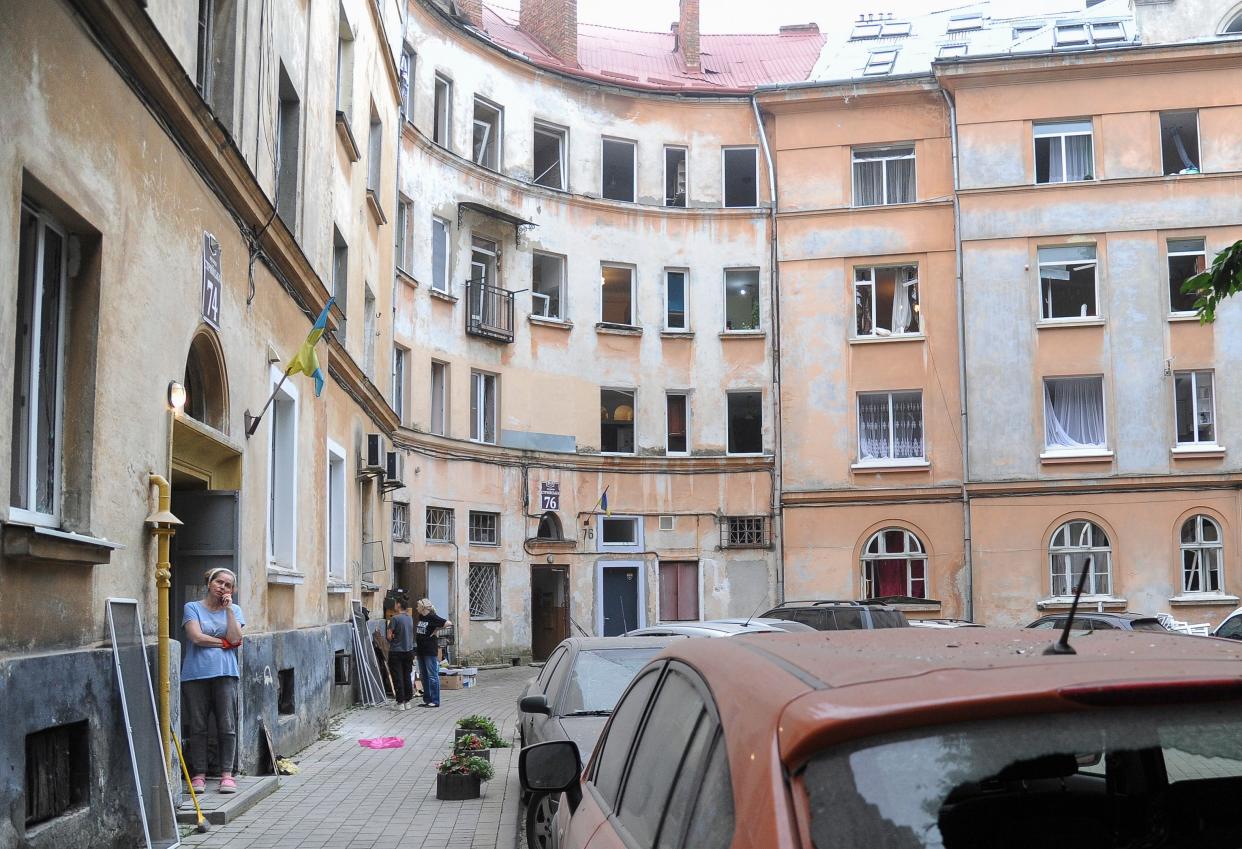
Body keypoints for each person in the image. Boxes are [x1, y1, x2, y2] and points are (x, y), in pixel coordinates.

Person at [181, 567, 245, 794]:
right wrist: (225, 643)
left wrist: (228, 611)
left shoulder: (235, 610)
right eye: (219, 582)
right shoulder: (192, 608)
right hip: (195, 674)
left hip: (225, 673)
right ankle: (199, 774)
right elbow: (196, 637)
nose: (223, 587)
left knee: (226, 725)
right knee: (198, 726)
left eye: (228, 585)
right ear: (209, 583)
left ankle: (226, 774)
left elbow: (236, 638)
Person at [414, 599, 450, 708]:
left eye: (418, 606)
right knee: (424, 675)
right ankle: (427, 699)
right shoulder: (421, 617)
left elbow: (448, 623)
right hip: (421, 650)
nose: (416, 608)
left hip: (429, 650)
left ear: (423, 608)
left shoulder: (432, 617)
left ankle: (435, 701)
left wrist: (436, 630)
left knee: (432, 676)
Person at [386, 596, 415, 710]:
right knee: (406, 675)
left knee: (397, 676)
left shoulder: (395, 619)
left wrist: (393, 636)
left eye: (395, 603)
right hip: (408, 650)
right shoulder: (410, 618)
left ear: (398, 605)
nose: (394, 605)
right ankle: (407, 701)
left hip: (396, 651)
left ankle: (400, 702)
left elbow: (389, 636)